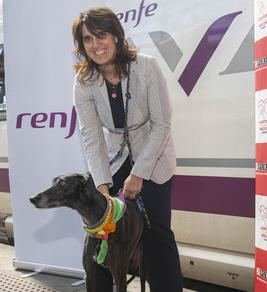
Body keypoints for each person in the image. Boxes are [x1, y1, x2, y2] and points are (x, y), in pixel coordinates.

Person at [72, 7, 183, 292]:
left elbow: (161, 124)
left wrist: (139, 174)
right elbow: (91, 136)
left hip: (154, 159)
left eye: (101, 35)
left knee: (157, 234)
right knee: (104, 238)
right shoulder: (84, 82)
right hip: (114, 161)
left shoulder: (146, 66)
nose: (96, 44)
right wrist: (101, 184)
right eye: (87, 39)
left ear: (116, 36)